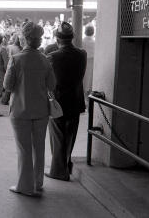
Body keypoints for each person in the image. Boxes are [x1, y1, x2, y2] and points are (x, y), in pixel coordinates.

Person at [3, 22, 56, 197]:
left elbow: (8, 85)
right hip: (41, 111)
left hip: (20, 111)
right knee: (38, 148)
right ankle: (37, 182)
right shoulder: (45, 59)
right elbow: (52, 85)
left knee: (24, 149)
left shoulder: (16, 59)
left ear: (24, 38)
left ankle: (25, 186)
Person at [46, 22, 87, 181]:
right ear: (73, 37)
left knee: (57, 138)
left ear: (57, 38)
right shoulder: (82, 54)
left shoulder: (52, 57)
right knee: (70, 136)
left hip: (58, 102)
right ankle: (66, 166)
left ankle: (58, 172)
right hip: (75, 101)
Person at [82, 24, 95, 102]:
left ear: (84, 32)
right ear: (93, 32)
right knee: (90, 82)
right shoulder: (95, 42)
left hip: (83, 63)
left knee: (83, 80)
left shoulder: (81, 41)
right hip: (92, 63)